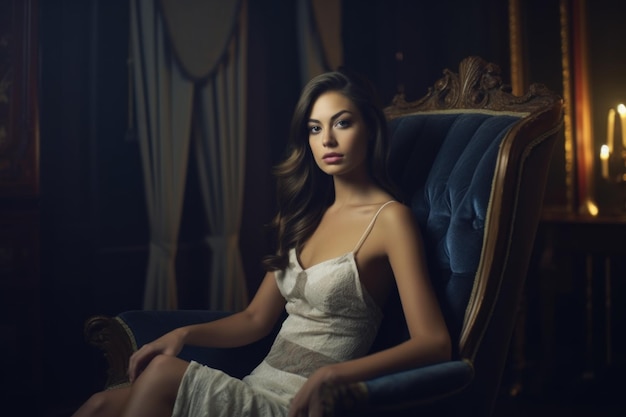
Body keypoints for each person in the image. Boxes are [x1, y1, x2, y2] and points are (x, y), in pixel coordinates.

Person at [72, 69, 451, 417]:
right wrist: (182, 334)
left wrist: (335, 374)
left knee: (160, 375)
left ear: (370, 128)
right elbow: (255, 319)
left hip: (298, 403)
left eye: (343, 123)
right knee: (99, 405)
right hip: (254, 387)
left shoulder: (389, 220)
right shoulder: (302, 215)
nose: (327, 140)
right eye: (315, 128)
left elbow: (434, 342)